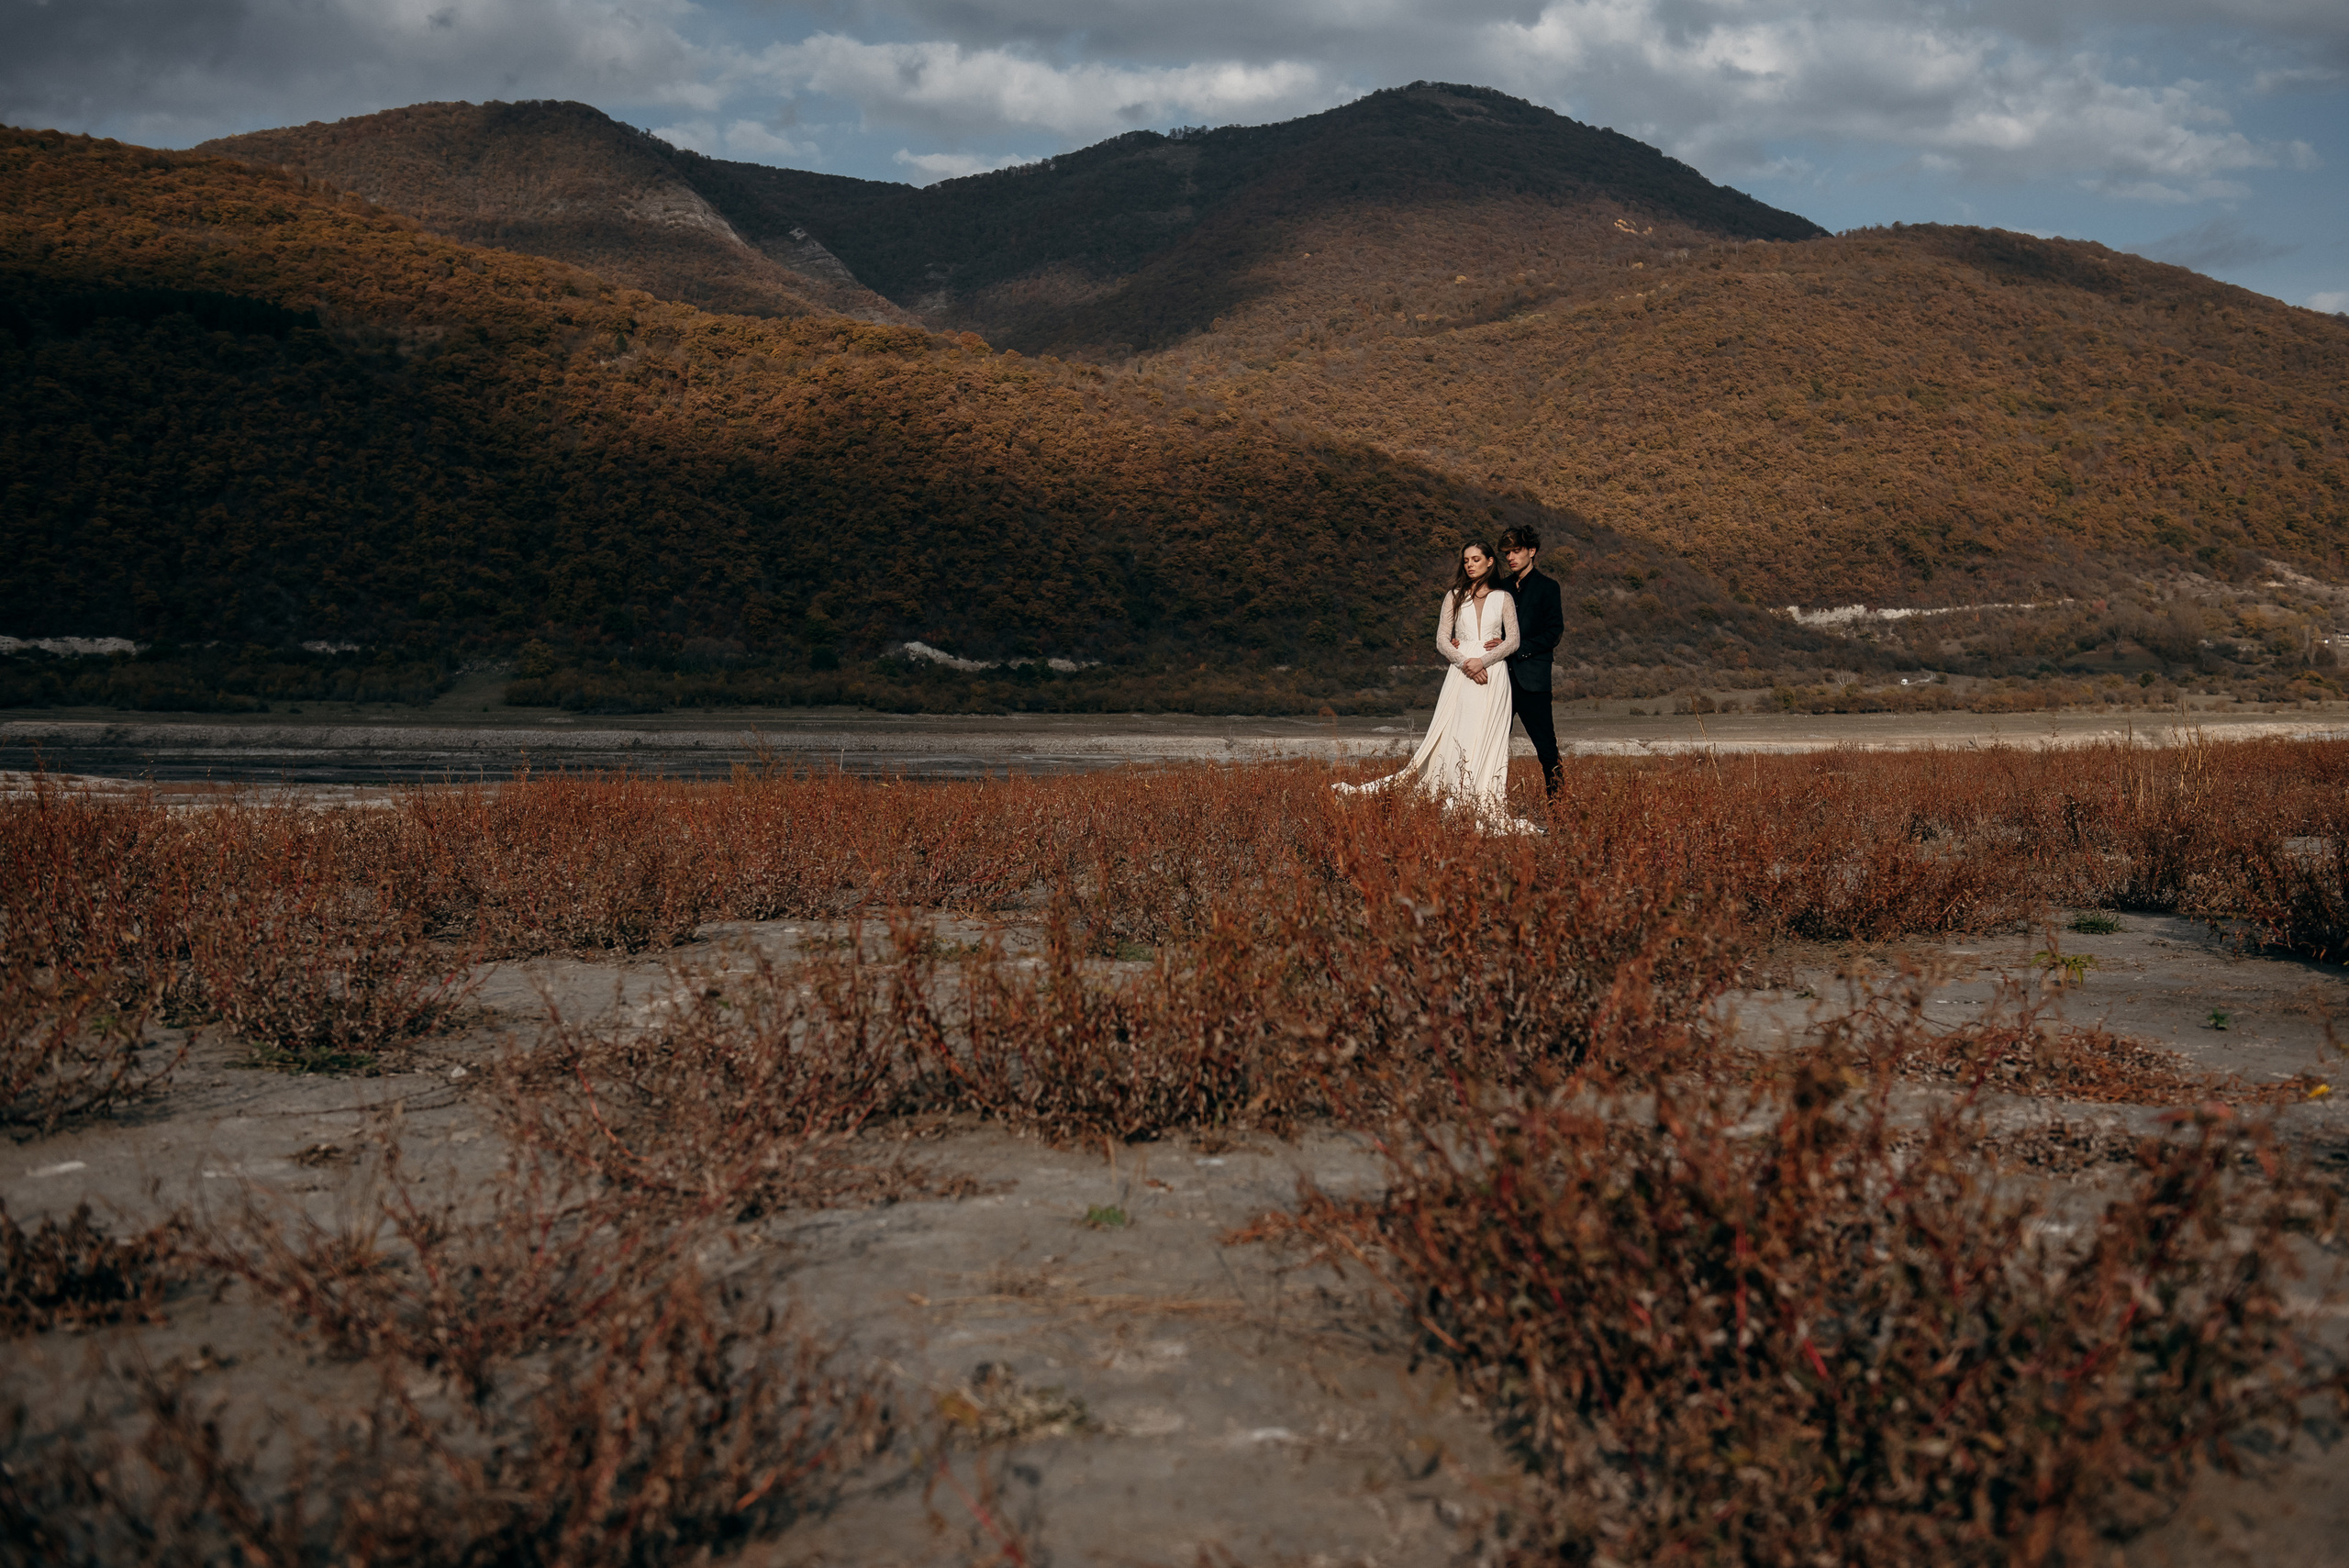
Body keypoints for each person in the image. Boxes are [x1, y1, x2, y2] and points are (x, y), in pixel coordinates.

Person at [1334, 541, 1534, 831]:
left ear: (1490, 562)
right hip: (1462, 673)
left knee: (1489, 736)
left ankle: (1481, 799)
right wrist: (1466, 663)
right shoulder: (1453, 596)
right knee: (1458, 733)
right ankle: (1454, 793)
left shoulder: (1503, 597)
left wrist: (1483, 661)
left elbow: (1513, 640)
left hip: (1493, 674)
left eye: (1476, 559)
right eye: (1466, 560)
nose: (1470, 565)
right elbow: (1441, 640)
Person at [1492, 525, 1564, 800]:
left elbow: (1553, 633)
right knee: (1492, 746)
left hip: (1533, 680)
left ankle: (1558, 812)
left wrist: (1516, 648)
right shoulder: (1499, 588)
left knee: (1546, 750)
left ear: (1532, 551)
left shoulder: (1548, 587)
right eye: (1507, 553)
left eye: (1516, 551)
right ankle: (1488, 806)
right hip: (1500, 679)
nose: (1511, 557)